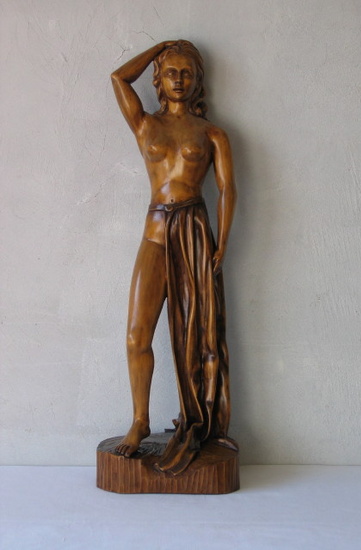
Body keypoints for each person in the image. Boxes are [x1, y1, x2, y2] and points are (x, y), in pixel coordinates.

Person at [110, 40, 237, 475]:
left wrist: (222, 242)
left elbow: (227, 190)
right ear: (158, 81)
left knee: (198, 335)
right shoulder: (145, 125)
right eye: (170, 72)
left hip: (194, 232)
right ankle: (140, 421)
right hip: (155, 233)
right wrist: (160, 48)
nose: (178, 79)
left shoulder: (212, 133)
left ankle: (196, 417)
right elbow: (118, 78)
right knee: (136, 334)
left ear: (197, 80)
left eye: (186, 72)